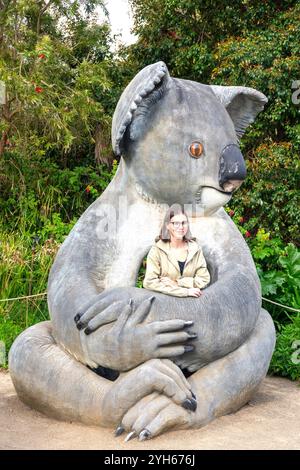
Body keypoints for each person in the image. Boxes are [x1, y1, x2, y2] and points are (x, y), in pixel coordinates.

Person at [143, 204, 210, 297]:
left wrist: (178, 283)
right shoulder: (157, 250)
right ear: (167, 225)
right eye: (175, 223)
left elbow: (204, 279)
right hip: (165, 305)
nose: (181, 227)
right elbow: (149, 282)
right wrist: (184, 292)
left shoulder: (195, 249)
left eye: (184, 223)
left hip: (191, 304)